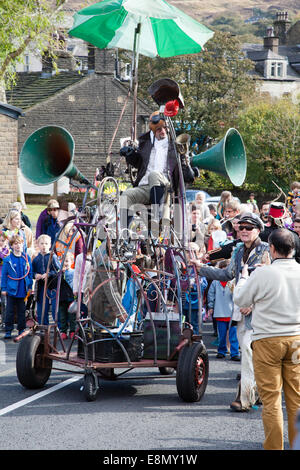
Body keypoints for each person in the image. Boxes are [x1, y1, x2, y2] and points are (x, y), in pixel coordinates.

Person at [191, 212, 271, 412]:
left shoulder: (266, 251)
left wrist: (252, 303)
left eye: (248, 227)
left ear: (258, 230)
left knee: (249, 352)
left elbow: (269, 282)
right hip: (242, 310)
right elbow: (227, 274)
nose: (243, 231)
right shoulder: (237, 251)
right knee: (251, 354)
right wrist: (202, 268)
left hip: (261, 312)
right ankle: (258, 394)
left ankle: (244, 398)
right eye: (241, 227)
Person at [233, 228, 300, 450]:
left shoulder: (262, 273)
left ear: (271, 248)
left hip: (267, 340)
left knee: (271, 401)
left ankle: (274, 447)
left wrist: (244, 278)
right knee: (296, 400)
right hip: (296, 338)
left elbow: (241, 298)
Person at [120, 110, 198, 235]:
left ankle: (156, 218)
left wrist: (185, 160)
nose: (162, 131)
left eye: (164, 128)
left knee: (154, 175)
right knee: (126, 196)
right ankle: (123, 234)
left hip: (165, 186)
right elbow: (139, 163)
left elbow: (184, 172)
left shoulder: (174, 145)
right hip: (146, 186)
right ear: (153, 131)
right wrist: (129, 155)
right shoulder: (146, 144)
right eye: (158, 129)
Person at [1, 234, 33, 339]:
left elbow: (30, 273)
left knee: (22, 311)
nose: (18, 246)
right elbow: (4, 275)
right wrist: (4, 288)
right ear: (11, 245)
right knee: (9, 311)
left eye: (19, 243)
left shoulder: (26, 258)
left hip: (22, 290)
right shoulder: (8, 259)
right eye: (15, 244)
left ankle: (21, 329)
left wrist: (30, 287)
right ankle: (8, 329)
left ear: (23, 244)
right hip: (11, 290)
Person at [207, 260, 240, 361]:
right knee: (221, 335)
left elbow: (238, 295)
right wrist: (211, 307)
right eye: (222, 269)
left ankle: (234, 353)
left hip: (232, 313)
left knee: (233, 335)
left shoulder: (234, 281)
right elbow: (210, 294)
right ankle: (221, 351)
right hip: (220, 312)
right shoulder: (215, 282)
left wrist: (233, 290)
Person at [32, 234, 60, 326]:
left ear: (50, 245)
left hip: (52, 285)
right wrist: (35, 275)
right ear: (38, 245)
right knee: (42, 308)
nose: (44, 246)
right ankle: (43, 326)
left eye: (46, 244)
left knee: (55, 308)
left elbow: (58, 270)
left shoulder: (53, 256)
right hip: (41, 286)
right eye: (42, 243)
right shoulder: (36, 259)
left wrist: (49, 274)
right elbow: (31, 272)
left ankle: (58, 327)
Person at [182, 242, 208, 335]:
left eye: (193, 251)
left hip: (195, 304)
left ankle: (195, 345)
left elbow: (204, 284)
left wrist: (195, 284)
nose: (190, 254)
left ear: (197, 253)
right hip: (183, 303)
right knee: (183, 326)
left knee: (195, 326)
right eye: (188, 251)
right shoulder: (180, 266)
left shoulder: (199, 267)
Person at [58, 252, 75, 340]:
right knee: (62, 316)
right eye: (63, 261)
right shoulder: (59, 273)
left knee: (72, 316)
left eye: (67, 261)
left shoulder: (74, 272)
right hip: (62, 297)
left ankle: (73, 331)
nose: (65, 263)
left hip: (71, 297)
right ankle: (63, 331)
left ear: (72, 262)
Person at [0, 231, 10, 328]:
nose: (1, 242)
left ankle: (5, 321)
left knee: (4, 302)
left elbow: (4, 258)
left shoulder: (7, 251)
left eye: (3, 240)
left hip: (4, 279)